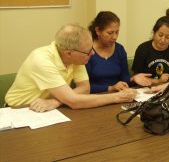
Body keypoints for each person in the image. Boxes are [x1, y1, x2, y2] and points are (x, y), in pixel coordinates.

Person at [5, 24, 137, 112]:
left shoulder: (77, 57)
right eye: (87, 51)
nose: (92, 54)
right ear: (68, 53)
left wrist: (55, 102)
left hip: (49, 109)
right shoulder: (41, 60)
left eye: (91, 48)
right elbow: (74, 102)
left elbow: (85, 89)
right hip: (19, 111)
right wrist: (118, 97)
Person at [86, 11, 152, 93]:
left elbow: (124, 79)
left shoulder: (119, 49)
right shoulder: (86, 51)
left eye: (117, 32)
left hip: (118, 95)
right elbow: (84, 87)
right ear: (98, 31)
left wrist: (133, 79)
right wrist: (111, 88)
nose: (114, 37)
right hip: (94, 98)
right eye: (110, 33)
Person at [132, 8, 169, 86]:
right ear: (154, 32)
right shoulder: (143, 49)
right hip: (146, 90)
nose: (162, 40)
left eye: (167, 37)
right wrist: (158, 81)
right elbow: (136, 79)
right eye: (160, 35)